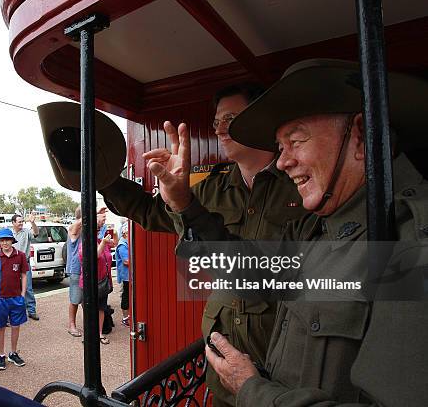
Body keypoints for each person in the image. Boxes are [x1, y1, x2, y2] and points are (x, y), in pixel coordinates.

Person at [152, 59, 428, 406]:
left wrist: (253, 390)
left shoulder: (412, 244)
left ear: (362, 136)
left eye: (295, 141)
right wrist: (182, 203)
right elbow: (247, 270)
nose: (282, 162)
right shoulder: (315, 229)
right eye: (281, 147)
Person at [98, 84, 306, 405]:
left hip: (283, 372)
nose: (220, 129)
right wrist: (103, 175)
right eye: (216, 122)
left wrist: (185, 203)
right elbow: (151, 212)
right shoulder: (211, 190)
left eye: (230, 119)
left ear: (261, 119)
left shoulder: (301, 187)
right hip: (221, 368)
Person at [0, 228, 29, 370]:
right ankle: (1, 354)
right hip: (0, 297)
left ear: (12, 240)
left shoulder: (20, 255)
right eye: (2, 240)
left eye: (7, 239)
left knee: (16, 326)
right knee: (0, 327)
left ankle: (13, 352)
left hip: (16, 297)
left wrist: (23, 294)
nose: (5, 243)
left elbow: (24, 275)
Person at [79, 210, 116, 345]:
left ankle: (99, 333)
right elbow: (94, 256)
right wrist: (103, 243)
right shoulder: (84, 243)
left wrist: (113, 236)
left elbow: (113, 245)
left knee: (101, 308)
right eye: (96, 229)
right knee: (88, 309)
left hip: (102, 282)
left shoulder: (101, 240)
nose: (98, 231)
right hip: (89, 283)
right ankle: (88, 335)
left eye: (98, 229)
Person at [10, 214, 39, 320]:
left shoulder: (26, 232)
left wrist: (32, 222)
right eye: (19, 221)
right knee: (13, 288)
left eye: (22, 221)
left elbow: (36, 233)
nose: (21, 223)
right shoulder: (9, 233)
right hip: (11, 265)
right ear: (13, 223)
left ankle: (31, 310)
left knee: (28, 288)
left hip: (24, 264)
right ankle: (15, 311)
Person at [66, 206, 83, 337]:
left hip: (85, 269)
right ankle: (71, 325)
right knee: (75, 299)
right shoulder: (74, 229)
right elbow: (76, 225)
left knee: (85, 299)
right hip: (76, 269)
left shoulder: (86, 228)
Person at [115, 223, 130, 327]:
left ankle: (128, 316)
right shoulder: (122, 245)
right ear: (125, 233)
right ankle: (125, 318)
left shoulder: (126, 243)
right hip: (126, 276)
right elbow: (126, 261)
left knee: (128, 295)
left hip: (129, 276)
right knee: (126, 296)